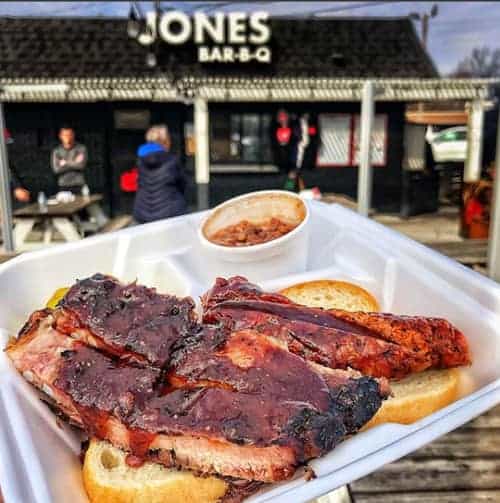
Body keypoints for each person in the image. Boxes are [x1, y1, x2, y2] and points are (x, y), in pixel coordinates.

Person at [133, 124, 187, 224]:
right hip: (170, 213)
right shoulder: (172, 161)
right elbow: (182, 184)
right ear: (165, 142)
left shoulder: (140, 161)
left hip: (143, 213)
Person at [51, 125, 88, 193]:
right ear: (60, 136)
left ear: (73, 135)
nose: (67, 137)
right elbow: (56, 169)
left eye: (69, 134)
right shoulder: (57, 151)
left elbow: (81, 166)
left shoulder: (81, 148)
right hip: (63, 184)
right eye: (65, 135)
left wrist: (65, 163)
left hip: (78, 183)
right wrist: (74, 162)